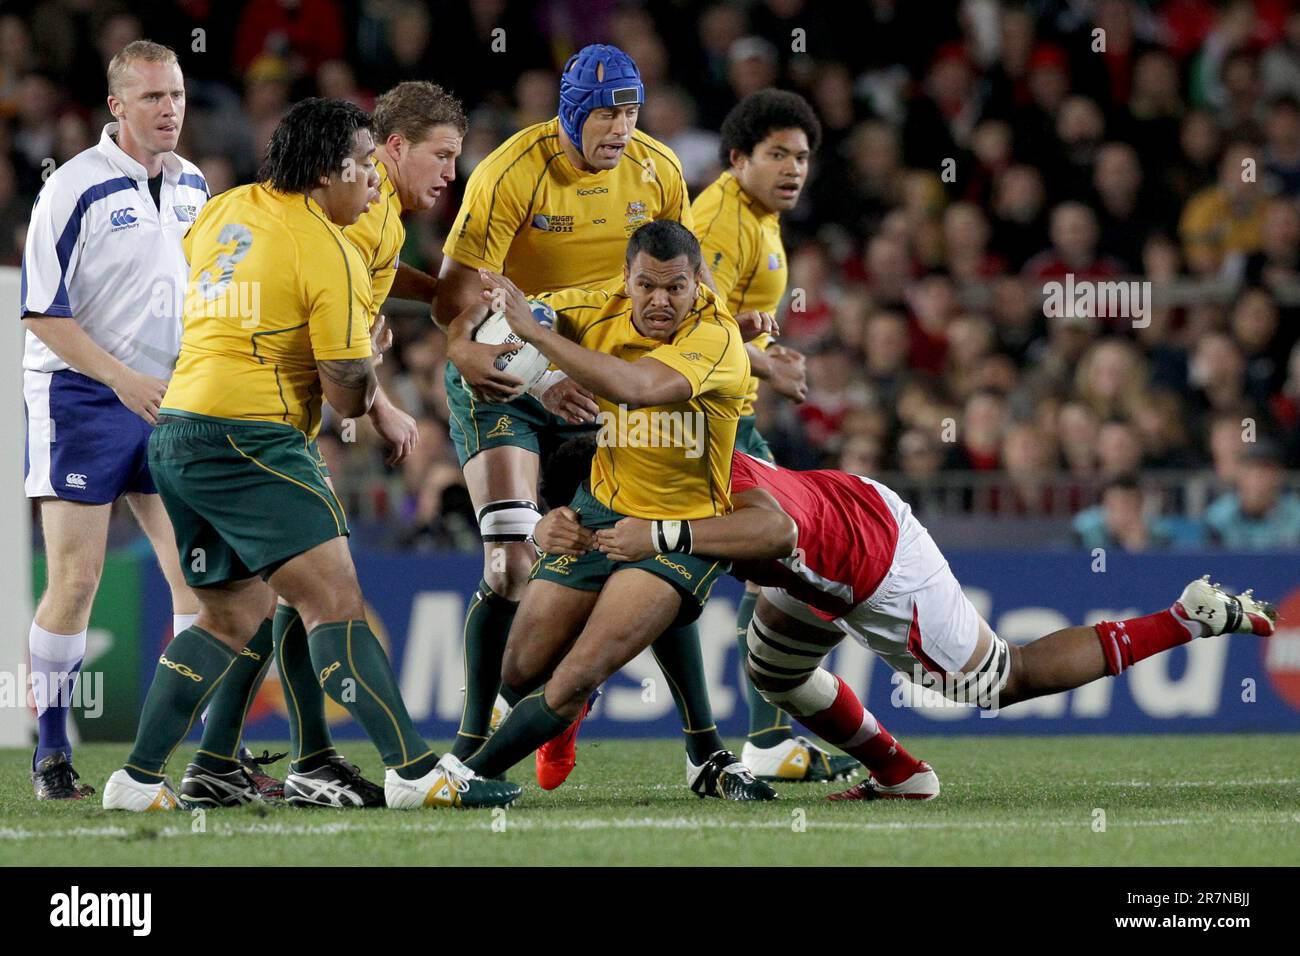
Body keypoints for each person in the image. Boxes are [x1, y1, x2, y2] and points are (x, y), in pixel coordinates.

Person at [100, 97, 518, 812]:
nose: (372, 184)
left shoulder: (227, 208)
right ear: (330, 172)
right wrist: (367, 375)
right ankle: (416, 772)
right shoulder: (328, 248)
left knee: (232, 618)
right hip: (252, 438)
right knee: (336, 604)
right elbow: (346, 395)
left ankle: (137, 780)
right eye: (363, 170)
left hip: (179, 431)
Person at [542, 445, 1277, 800]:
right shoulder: (669, 463)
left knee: (1000, 680)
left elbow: (756, 538)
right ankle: (900, 772)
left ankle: (1187, 617)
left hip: (876, 561)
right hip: (837, 528)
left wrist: (662, 541)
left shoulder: (689, 505)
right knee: (773, 667)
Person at [434, 44, 738, 791]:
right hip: (511, 375)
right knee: (509, 561)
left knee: (652, 546)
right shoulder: (511, 170)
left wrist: (740, 347)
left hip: (605, 378)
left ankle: (705, 751)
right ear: (572, 112)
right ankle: (474, 752)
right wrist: (531, 375)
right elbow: (454, 304)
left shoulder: (659, 169)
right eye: (606, 112)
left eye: (630, 111)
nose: (621, 128)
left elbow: (683, 275)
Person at [461, 221, 776, 799]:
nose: (660, 301)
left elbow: (637, 386)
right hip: (600, 509)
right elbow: (490, 319)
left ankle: (462, 775)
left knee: (580, 671)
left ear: (696, 284)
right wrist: (471, 347)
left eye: (676, 288)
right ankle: (682, 746)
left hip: (678, 527)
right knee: (521, 669)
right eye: (646, 286)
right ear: (625, 280)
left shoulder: (716, 338)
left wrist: (540, 340)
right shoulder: (592, 306)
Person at [239, 80, 464, 807]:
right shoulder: (359, 217)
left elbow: (366, 287)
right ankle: (392, 762)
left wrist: (428, 295)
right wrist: (386, 405)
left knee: (278, 600)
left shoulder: (381, 222)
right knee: (295, 600)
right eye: (442, 155)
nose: (450, 174)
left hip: (266, 421)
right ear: (392, 148)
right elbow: (336, 330)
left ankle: (300, 755)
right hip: (263, 422)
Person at [19, 40, 207, 800]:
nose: (170, 109)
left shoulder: (195, 185)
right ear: (117, 107)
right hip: (80, 397)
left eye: (178, 95)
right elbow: (39, 312)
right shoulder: (71, 189)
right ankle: (52, 752)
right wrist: (121, 379)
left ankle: (198, 754)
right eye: (154, 97)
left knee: (198, 577)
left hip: (168, 400)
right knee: (77, 577)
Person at [691, 89, 859, 782]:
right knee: (775, 554)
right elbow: (693, 325)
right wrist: (767, 365)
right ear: (737, 159)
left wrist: (758, 341)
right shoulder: (720, 220)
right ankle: (758, 739)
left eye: (802, 157)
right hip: (699, 417)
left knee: (757, 569)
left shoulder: (760, 216)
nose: (793, 169)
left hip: (728, 412)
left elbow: (725, 316)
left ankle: (758, 741)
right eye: (777, 155)